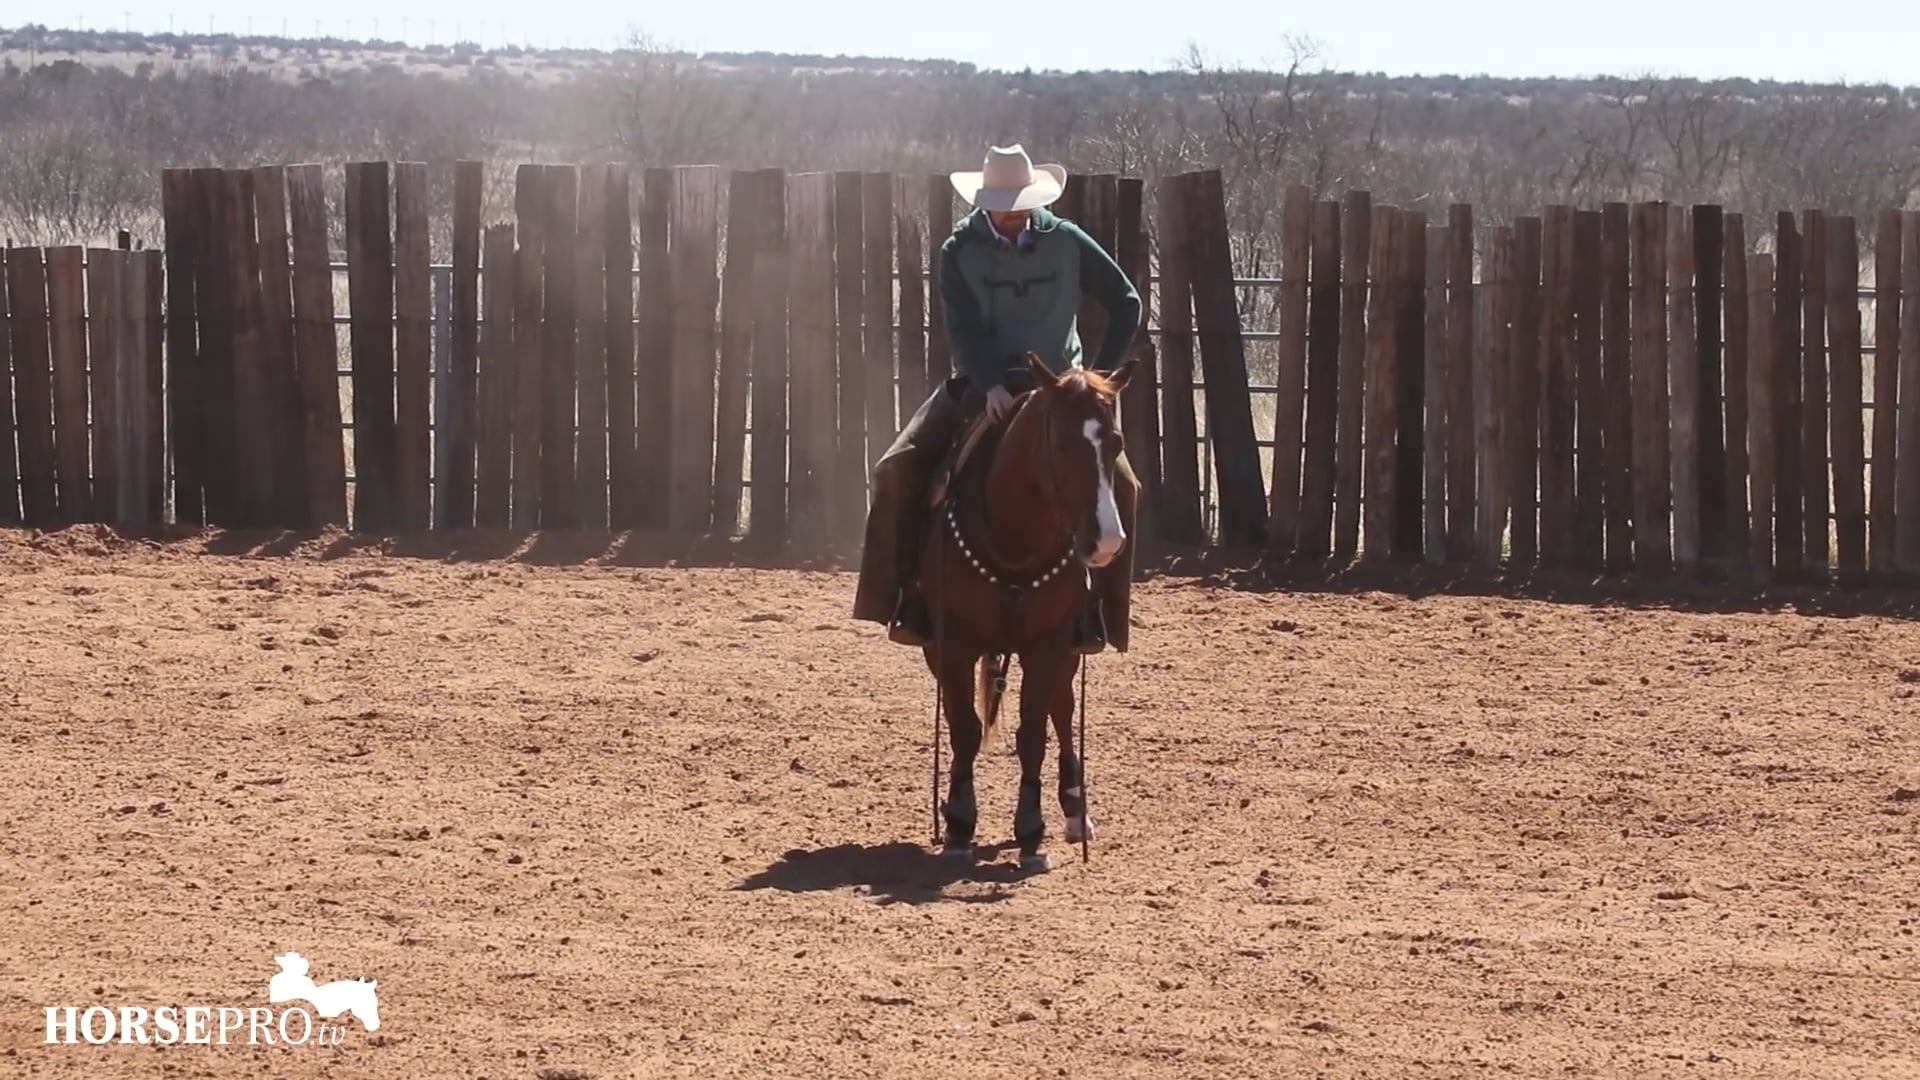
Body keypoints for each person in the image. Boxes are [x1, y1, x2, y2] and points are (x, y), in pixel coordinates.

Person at [851, 143, 1143, 654]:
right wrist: (988, 384)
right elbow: (960, 329)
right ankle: (904, 598)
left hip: (1061, 389)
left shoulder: (1068, 241)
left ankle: (1100, 616)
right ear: (983, 199)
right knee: (896, 469)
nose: (1009, 210)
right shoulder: (958, 250)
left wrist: (1094, 380)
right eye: (1000, 200)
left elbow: (1126, 301)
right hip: (981, 385)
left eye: (1017, 199)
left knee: (1125, 486)